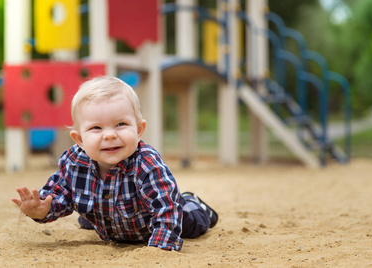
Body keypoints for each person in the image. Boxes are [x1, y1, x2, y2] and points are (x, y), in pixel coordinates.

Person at [11, 75, 218, 251]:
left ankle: (194, 203)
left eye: (121, 124)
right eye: (96, 128)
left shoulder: (146, 163)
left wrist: (159, 249)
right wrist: (42, 210)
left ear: (138, 130)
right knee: (86, 216)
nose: (109, 135)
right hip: (111, 220)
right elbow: (59, 197)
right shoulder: (73, 162)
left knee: (191, 221)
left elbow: (165, 209)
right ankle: (101, 217)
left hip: (157, 220)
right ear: (79, 139)